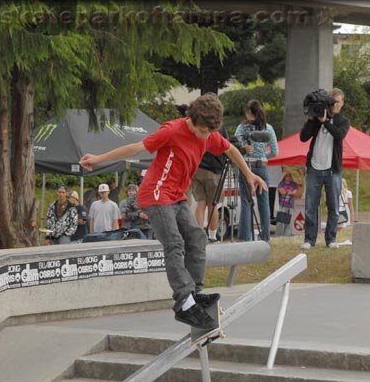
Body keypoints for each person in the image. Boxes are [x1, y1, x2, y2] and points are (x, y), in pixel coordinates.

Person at [80, 94, 267, 330]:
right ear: (192, 120)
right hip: (155, 196)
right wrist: (98, 159)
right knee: (175, 244)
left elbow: (230, 150)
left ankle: (195, 293)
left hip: (177, 197)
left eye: (209, 133)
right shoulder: (171, 131)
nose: (206, 137)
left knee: (197, 238)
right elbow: (135, 148)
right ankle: (184, 302)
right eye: (202, 131)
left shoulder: (208, 134)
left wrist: (248, 174)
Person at [300, 87, 350, 249]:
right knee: (310, 207)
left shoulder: (343, 121)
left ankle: (331, 239)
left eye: (338, 102)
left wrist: (325, 121)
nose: (335, 105)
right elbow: (303, 138)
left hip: (332, 170)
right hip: (314, 168)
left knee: (333, 207)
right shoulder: (316, 118)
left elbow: (338, 135)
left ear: (342, 104)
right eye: (332, 101)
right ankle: (309, 240)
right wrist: (310, 118)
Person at [234, 100, 279, 242]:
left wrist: (245, 150)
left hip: (247, 166)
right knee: (264, 202)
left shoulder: (242, 128)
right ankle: (265, 236)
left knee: (247, 202)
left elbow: (234, 144)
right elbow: (275, 151)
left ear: (249, 111)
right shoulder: (268, 128)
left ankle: (246, 237)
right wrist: (263, 156)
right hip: (262, 167)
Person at [190, 124, 229, 243]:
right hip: (213, 169)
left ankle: (199, 236)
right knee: (213, 205)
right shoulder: (219, 126)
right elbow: (226, 146)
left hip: (197, 168)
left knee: (200, 204)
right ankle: (212, 236)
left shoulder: (198, 123)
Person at [275, 172, 300, 237]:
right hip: (282, 205)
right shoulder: (281, 183)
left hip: (290, 206)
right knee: (280, 222)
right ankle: (278, 235)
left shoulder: (294, 184)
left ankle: (286, 236)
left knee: (288, 222)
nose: (288, 177)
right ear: (284, 177)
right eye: (287, 176)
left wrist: (289, 192)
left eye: (289, 176)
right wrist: (291, 192)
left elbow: (296, 193)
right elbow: (282, 192)